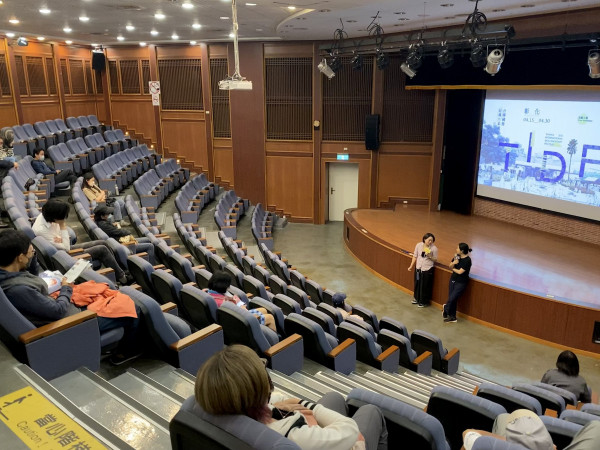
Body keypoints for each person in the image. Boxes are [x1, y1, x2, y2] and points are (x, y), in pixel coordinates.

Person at [195, 345, 388, 450]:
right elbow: (350, 431)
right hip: (333, 438)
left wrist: (279, 402)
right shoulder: (294, 436)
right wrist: (306, 406)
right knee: (370, 411)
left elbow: (272, 399)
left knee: (334, 396)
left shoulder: (228, 411)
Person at [0, 229, 141, 364]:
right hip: (69, 323)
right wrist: (66, 288)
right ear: (19, 258)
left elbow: (31, 275)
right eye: (29, 252)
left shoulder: (9, 273)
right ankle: (124, 352)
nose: (31, 253)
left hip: (59, 310)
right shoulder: (19, 290)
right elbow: (57, 311)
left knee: (108, 295)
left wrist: (32, 256)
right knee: (133, 309)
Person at [32, 198, 133, 285]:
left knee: (103, 242)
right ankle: (122, 278)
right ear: (55, 217)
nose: (64, 220)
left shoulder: (46, 216)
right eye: (63, 218)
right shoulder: (41, 229)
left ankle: (123, 270)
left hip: (62, 248)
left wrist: (61, 236)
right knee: (102, 249)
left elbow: (63, 239)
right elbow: (66, 247)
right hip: (64, 257)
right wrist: (62, 226)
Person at [206, 270, 277, 332]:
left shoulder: (209, 293)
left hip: (234, 318)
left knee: (263, 310)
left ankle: (264, 333)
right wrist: (242, 307)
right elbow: (242, 314)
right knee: (270, 318)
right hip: (241, 324)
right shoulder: (224, 303)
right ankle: (275, 341)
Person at [442, 242, 472, 323]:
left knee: (452, 298)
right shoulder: (456, 257)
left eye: (457, 248)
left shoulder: (468, 260)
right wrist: (453, 263)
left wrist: (453, 268)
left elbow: (460, 272)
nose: (456, 249)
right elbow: (450, 266)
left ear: (462, 251)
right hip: (453, 279)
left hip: (461, 282)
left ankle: (446, 308)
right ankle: (452, 317)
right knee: (452, 299)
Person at [407, 232, 438, 308]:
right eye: (429, 240)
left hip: (427, 269)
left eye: (432, 240)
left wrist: (430, 256)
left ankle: (424, 302)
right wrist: (411, 266)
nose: (430, 242)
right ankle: (416, 298)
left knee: (425, 286)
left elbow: (435, 259)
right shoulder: (418, 245)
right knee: (417, 283)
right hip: (418, 268)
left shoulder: (434, 248)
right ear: (424, 239)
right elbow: (415, 256)